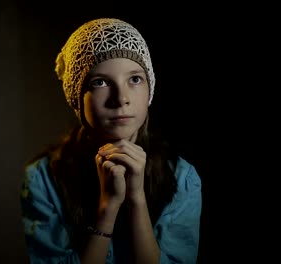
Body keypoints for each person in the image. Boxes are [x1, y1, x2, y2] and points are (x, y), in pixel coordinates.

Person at [20, 17, 202, 264]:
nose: (121, 98)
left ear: (150, 87)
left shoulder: (182, 177)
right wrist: (108, 208)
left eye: (135, 79)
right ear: (76, 98)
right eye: (100, 82)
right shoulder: (42, 179)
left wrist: (136, 197)